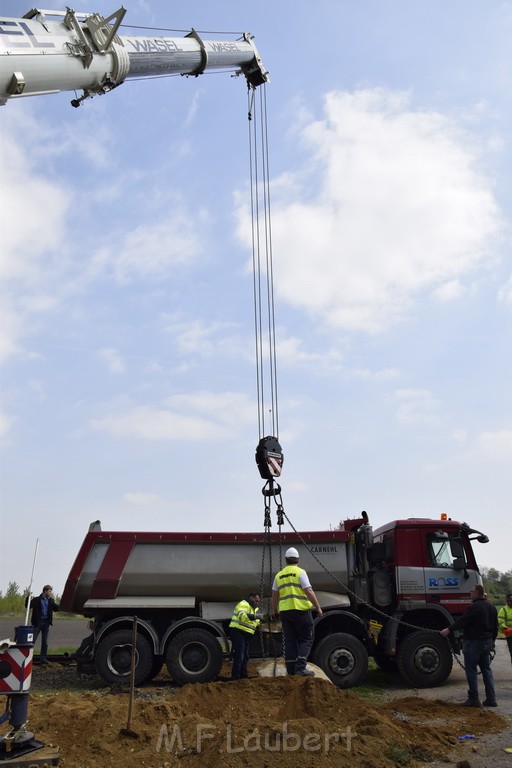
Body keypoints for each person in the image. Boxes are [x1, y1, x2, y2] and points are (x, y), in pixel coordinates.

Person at [441, 583, 498, 707]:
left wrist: (448, 630)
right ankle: (491, 699)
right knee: (486, 670)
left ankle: (473, 699)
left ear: (477, 593)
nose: (470, 594)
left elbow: (462, 621)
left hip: (473, 643)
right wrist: (492, 641)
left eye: (472, 592)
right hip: (486, 643)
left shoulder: (473, 607)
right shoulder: (491, 606)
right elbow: (495, 627)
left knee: (471, 670)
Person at [271, 547, 323, 676]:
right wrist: (318, 607)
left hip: (285, 613)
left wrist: (275, 610)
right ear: (297, 559)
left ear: (286, 560)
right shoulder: (300, 572)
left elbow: (274, 595)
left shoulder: (279, 575)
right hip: (301, 611)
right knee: (306, 639)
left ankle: (291, 669)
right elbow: (308, 591)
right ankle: (301, 668)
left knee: (290, 641)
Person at [229, 592, 261, 680]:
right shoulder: (244, 604)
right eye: (256, 600)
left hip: (245, 634)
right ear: (251, 598)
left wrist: (261, 621)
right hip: (238, 632)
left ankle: (243, 675)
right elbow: (242, 616)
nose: (257, 603)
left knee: (245, 656)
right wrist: (255, 616)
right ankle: (235, 677)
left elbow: (255, 622)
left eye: (258, 601)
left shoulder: (253, 608)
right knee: (240, 655)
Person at [25, 585, 60, 664]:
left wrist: (64, 604)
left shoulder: (51, 600)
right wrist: (28, 597)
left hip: (46, 624)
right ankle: (27, 658)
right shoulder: (36, 600)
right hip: (37, 623)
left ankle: (43, 659)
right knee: (32, 641)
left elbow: (56, 608)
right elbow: (28, 606)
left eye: (51, 591)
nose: (51, 593)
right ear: (45, 591)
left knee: (45, 642)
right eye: (49, 591)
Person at [498, 592, 512, 665]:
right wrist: (506, 628)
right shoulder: (503, 610)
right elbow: (501, 623)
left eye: (511, 600)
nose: (509, 602)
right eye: (508, 601)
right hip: (510, 636)